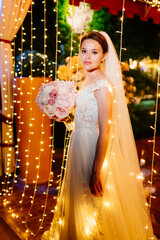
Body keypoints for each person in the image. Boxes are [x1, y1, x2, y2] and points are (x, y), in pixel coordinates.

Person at [42, 31, 156, 240]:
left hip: (93, 149)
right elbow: (83, 118)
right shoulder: (86, 82)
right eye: (84, 51)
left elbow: (105, 130)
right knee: (80, 202)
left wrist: (96, 170)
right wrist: (66, 118)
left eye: (94, 52)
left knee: (94, 203)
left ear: (104, 55)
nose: (87, 56)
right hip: (78, 145)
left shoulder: (103, 86)